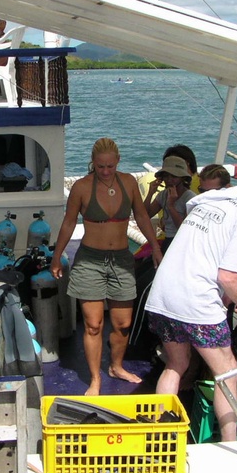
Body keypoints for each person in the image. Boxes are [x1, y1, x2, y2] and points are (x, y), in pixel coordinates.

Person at [145, 180, 237, 441]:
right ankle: (231, 444)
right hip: (196, 299)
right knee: (228, 372)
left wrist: (227, 300)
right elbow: (228, 277)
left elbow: (212, 256)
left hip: (163, 294)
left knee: (176, 364)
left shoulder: (216, 199)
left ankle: (159, 437)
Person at [50, 138, 163, 396]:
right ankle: (95, 379)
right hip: (90, 260)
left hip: (122, 259)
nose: (105, 171)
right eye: (100, 166)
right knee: (93, 324)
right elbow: (68, 223)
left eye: (110, 166)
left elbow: (143, 217)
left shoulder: (129, 183)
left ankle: (116, 367)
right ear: (93, 163)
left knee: (122, 323)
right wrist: (57, 256)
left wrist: (155, 247)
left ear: (118, 162)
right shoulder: (81, 187)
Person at [143, 155, 196, 252]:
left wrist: (171, 206)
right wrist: (150, 193)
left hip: (182, 242)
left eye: (174, 177)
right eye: (166, 176)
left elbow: (184, 230)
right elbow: (145, 215)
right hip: (167, 239)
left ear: (182, 178)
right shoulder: (163, 195)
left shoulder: (190, 198)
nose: (169, 180)